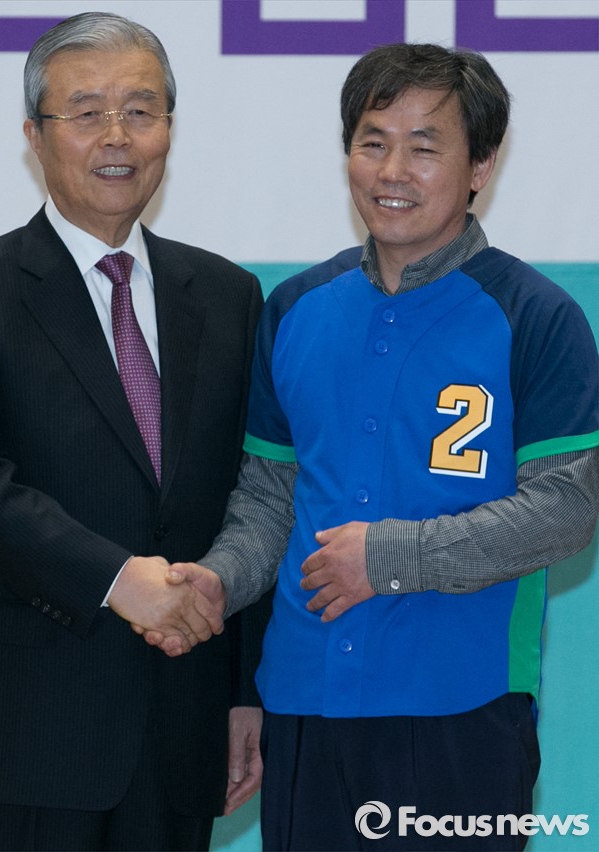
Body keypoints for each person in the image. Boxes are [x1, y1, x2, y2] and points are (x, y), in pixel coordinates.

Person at [153, 43, 599, 850]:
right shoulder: (295, 309)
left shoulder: (536, 317)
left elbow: (567, 507)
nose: (392, 171)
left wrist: (393, 556)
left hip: (463, 708)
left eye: (424, 147)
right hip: (306, 704)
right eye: (372, 142)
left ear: (481, 165)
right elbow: (268, 500)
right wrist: (218, 581)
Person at [0, 11, 268, 852]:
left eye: (141, 110)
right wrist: (115, 579)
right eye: (87, 111)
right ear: (34, 134)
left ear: (170, 129)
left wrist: (245, 689)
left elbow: (253, 493)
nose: (117, 136)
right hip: (25, 730)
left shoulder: (227, 296)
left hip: (182, 722)